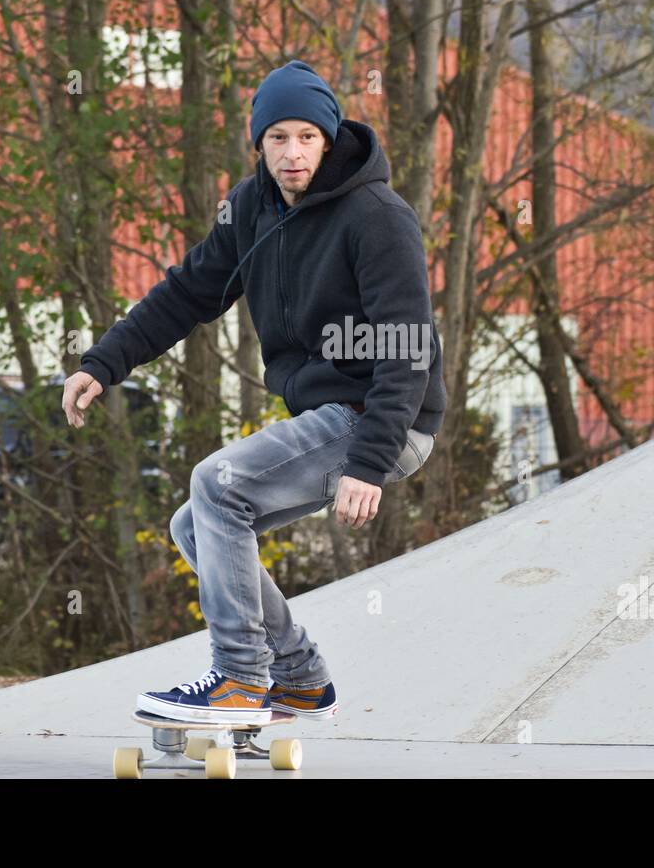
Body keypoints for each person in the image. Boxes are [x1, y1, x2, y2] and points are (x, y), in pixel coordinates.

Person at [61, 59, 446, 725]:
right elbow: (188, 293)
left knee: (219, 483)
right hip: (335, 417)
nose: (291, 153)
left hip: (385, 417)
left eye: (305, 137)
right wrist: (103, 363)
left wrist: (369, 462)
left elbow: (406, 345)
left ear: (327, 139)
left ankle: (240, 680)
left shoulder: (377, 216)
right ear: (259, 143)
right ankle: (299, 678)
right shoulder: (252, 209)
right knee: (197, 524)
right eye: (277, 139)